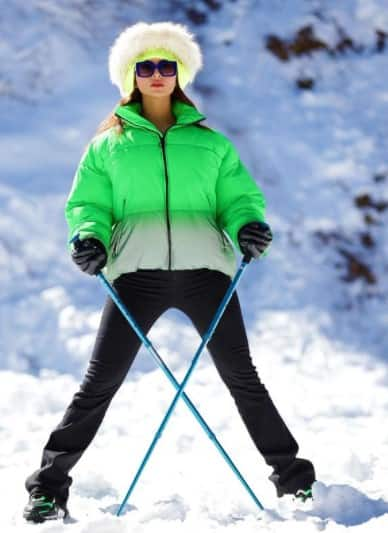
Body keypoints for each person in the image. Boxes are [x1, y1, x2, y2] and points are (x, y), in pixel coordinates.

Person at [23, 21, 316, 523]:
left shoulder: (211, 145)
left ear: (179, 73)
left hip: (207, 274)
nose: (156, 75)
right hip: (136, 276)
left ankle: (296, 482)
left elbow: (239, 198)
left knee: (243, 379)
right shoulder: (107, 146)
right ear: (130, 76)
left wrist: (249, 226)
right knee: (99, 384)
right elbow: (87, 204)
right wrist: (89, 238)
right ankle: (48, 488)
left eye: (166, 65)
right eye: (146, 66)